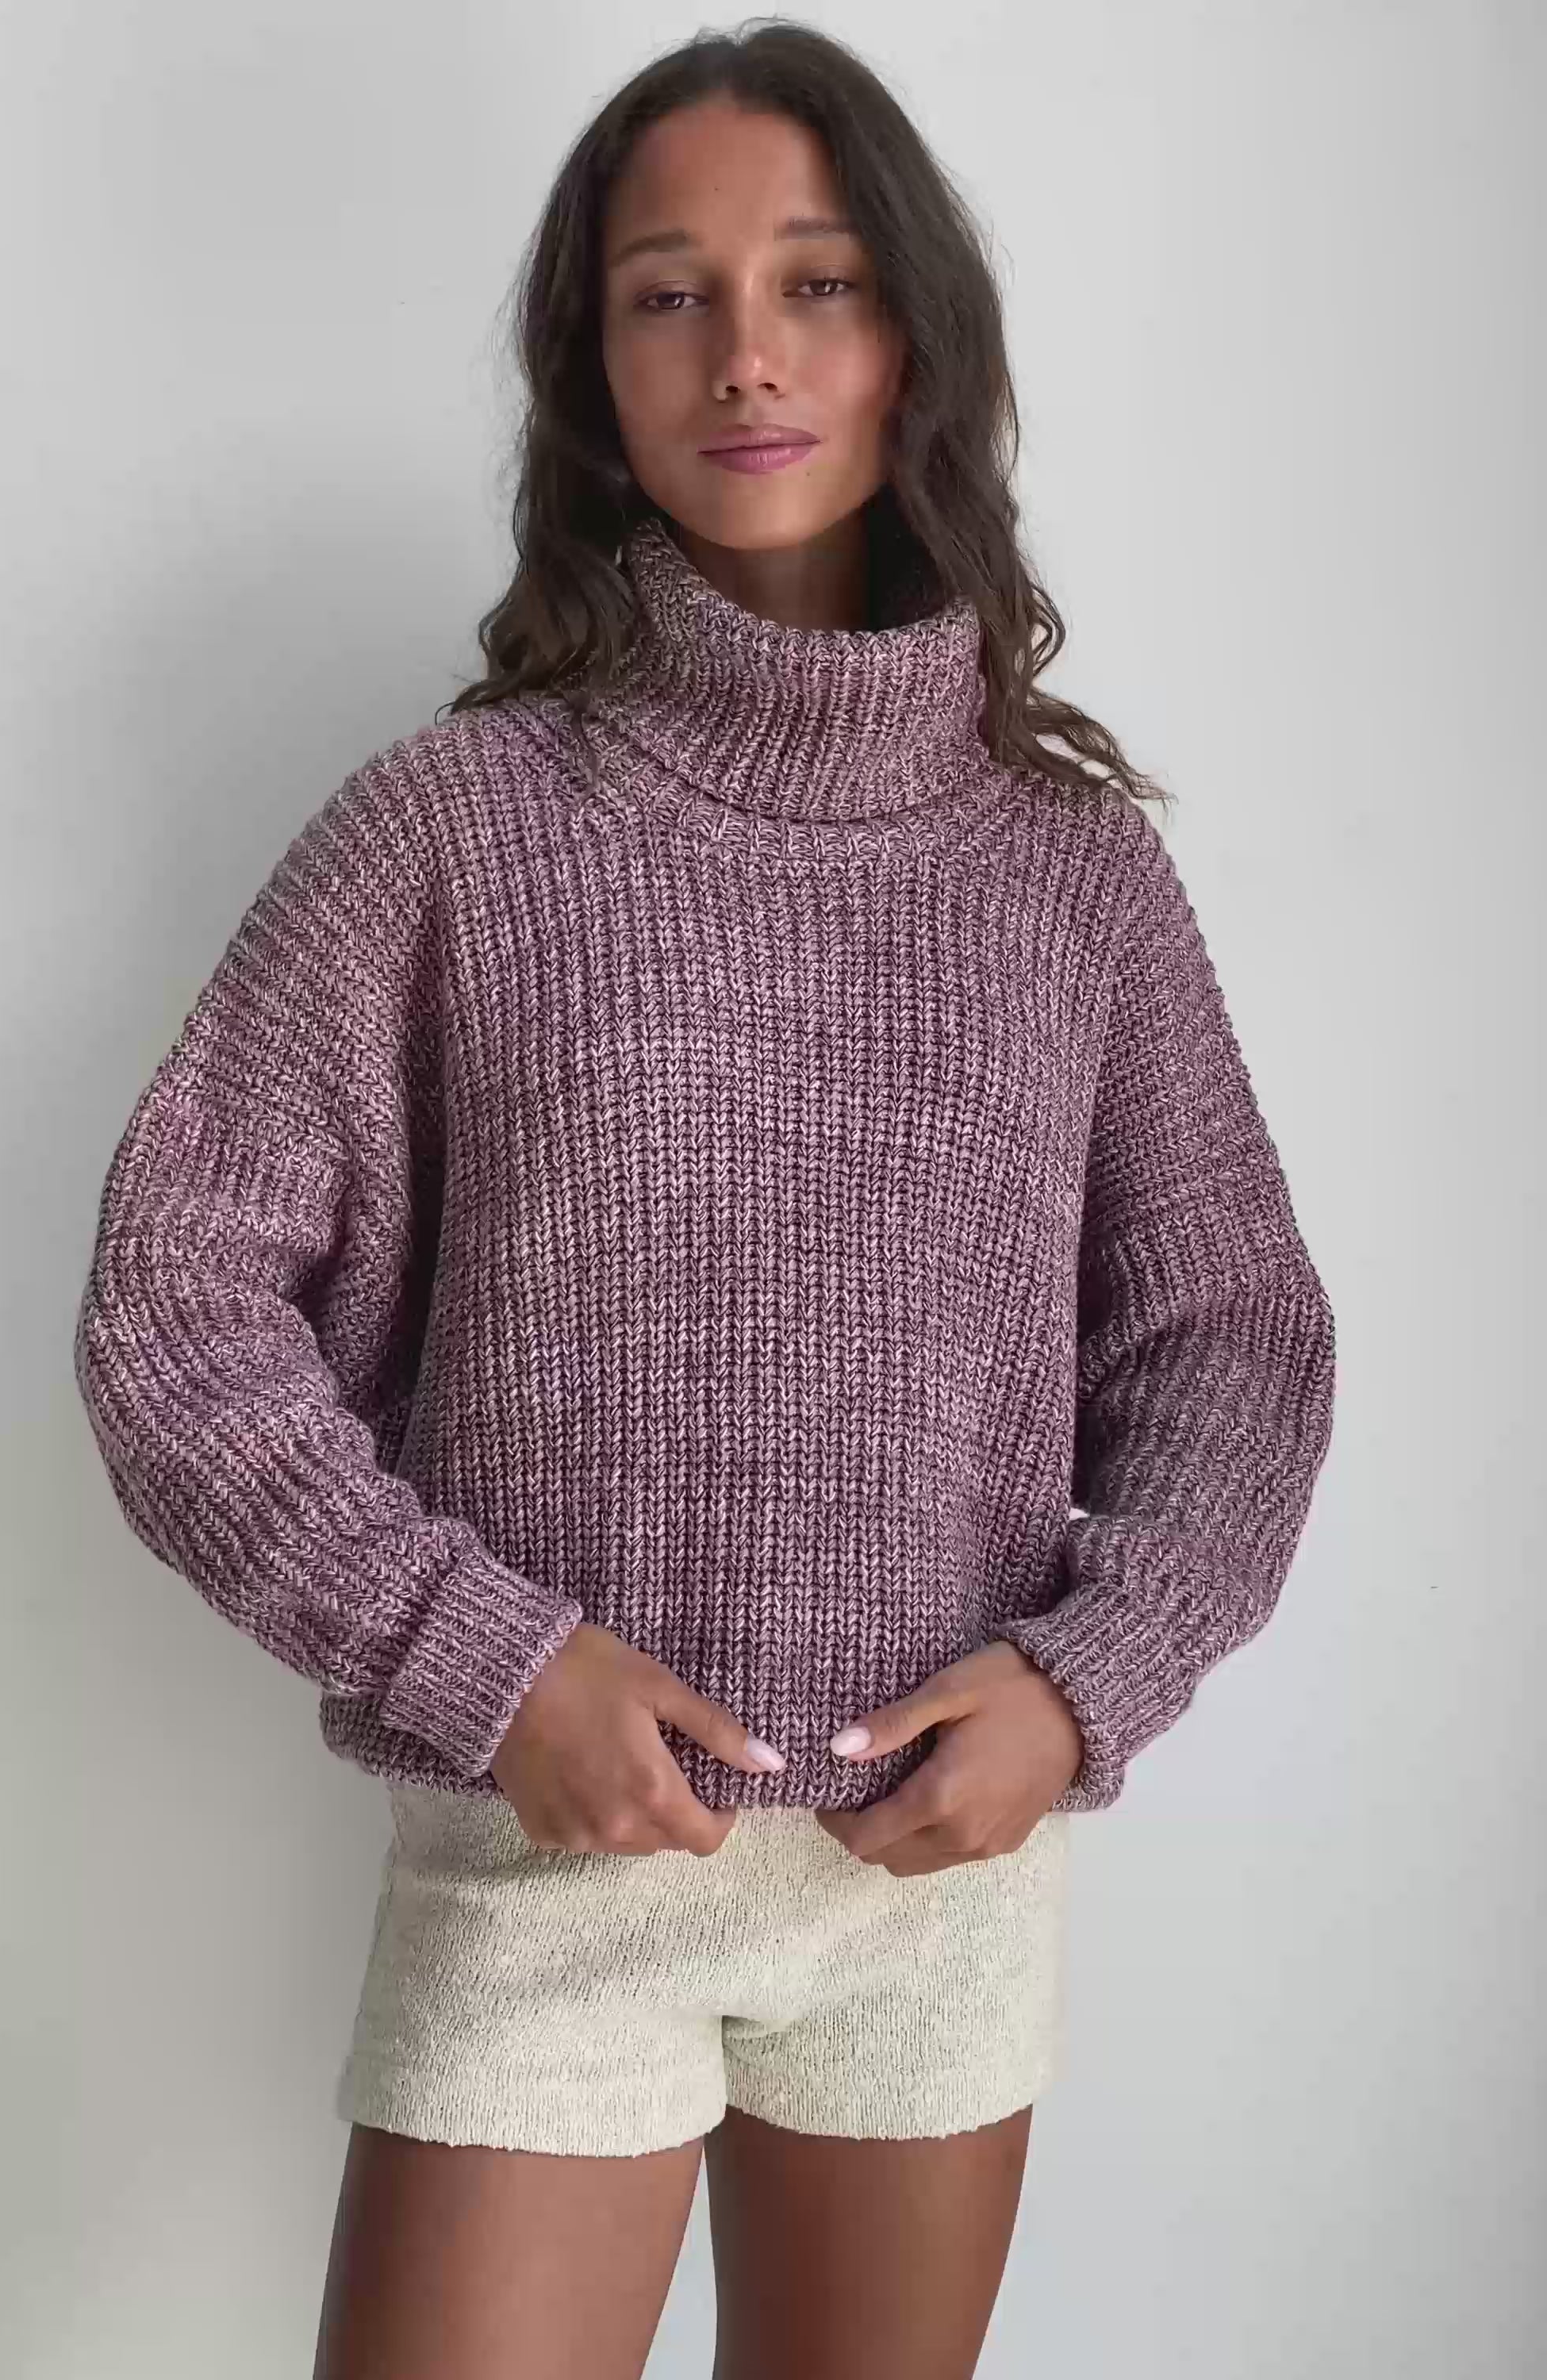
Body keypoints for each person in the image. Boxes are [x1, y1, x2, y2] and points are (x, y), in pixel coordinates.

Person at [70, 22, 1338, 2380]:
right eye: (668, 294)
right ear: (594, 369)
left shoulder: (1072, 878)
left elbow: (1235, 1345)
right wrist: (483, 1663)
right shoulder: (452, 833)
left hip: (931, 1889)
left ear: (915, 341)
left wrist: (1091, 1683)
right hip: (549, 1872)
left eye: (816, 282)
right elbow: (173, 1309)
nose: (746, 352)